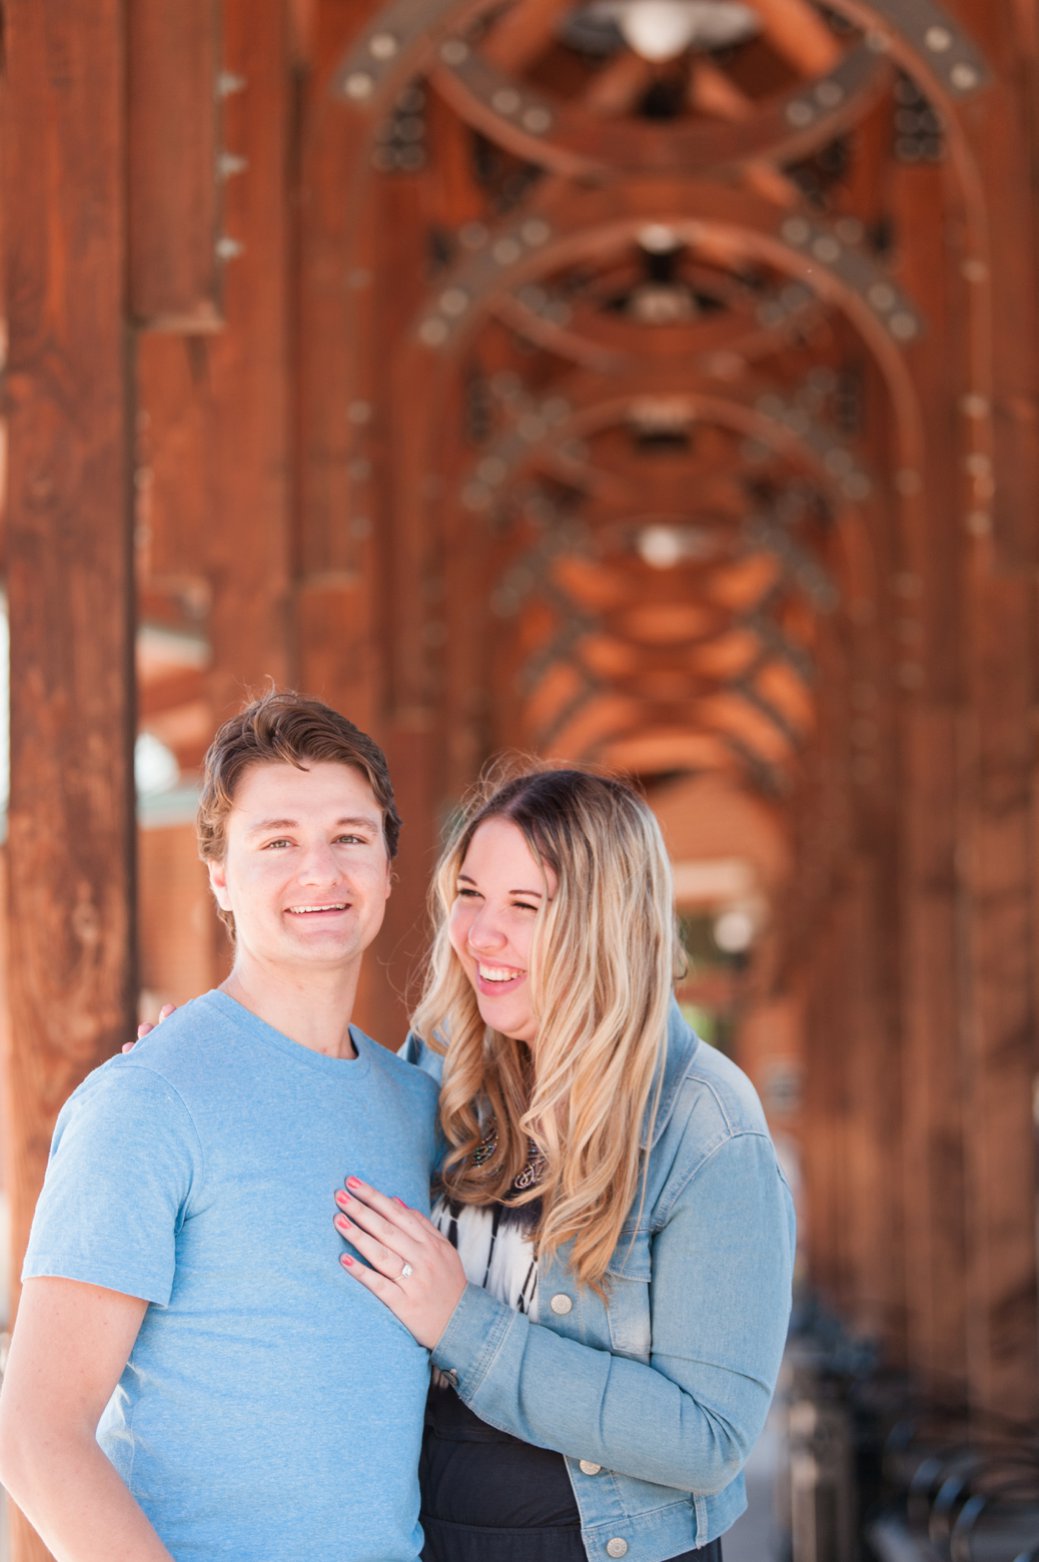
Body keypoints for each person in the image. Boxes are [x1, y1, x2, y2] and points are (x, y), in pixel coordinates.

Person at [0, 691, 439, 1562]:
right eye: (277, 842)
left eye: (350, 837)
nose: (320, 871)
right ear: (220, 878)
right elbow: (36, 1433)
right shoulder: (146, 1100)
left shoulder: (420, 1104)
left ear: (390, 865)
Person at [333, 766, 796, 1562]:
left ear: (604, 924)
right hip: (423, 1538)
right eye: (471, 894)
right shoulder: (444, 1069)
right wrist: (214, 1065)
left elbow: (709, 1437)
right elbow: (322, 1157)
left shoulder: (706, 1127)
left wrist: (464, 1328)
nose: (480, 934)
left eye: (524, 906)